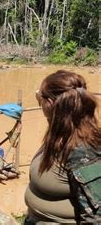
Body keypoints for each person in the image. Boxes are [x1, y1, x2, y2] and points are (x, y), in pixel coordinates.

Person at [24, 70, 100, 224]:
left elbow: (96, 217)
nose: (38, 101)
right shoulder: (59, 135)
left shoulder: (83, 150)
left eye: (39, 96)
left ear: (50, 104)